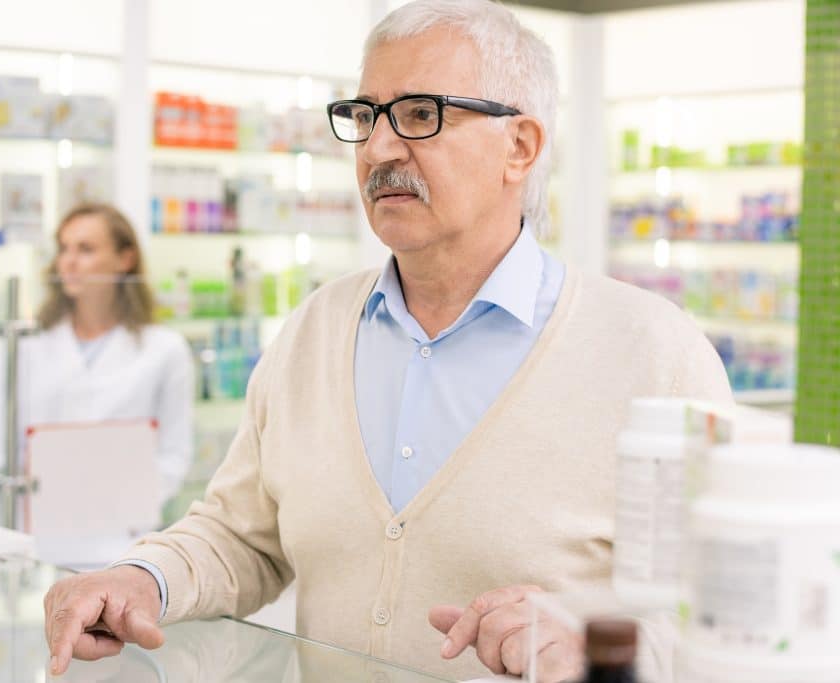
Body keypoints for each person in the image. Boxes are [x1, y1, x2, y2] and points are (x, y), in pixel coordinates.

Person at [43, 1, 732, 680]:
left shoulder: (653, 354)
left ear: (519, 147)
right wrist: (142, 577)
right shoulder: (316, 329)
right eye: (366, 115)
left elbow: (721, 616)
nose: (378, 149)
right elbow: (240, 534)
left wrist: (594, 638)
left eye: (421, 114)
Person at [0, 202, 194, 524]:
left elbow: (173, 456)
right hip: (35, 527)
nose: (69, 262)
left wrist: (122, 506)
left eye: (86, 249)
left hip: (125, 534)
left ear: (125, 259)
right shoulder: (23, 344)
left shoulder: (165, 350)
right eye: (64, 249)